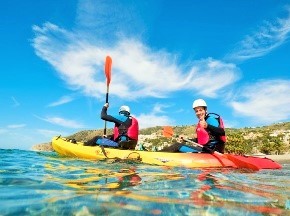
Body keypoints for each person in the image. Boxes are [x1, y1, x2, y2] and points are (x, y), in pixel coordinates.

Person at [160, 99, 226, 153]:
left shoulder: (210, 119)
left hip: (211, 151)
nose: (199, 113)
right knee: (179, 148)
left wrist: (207, 126)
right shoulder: (200, 123)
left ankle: (156, 156)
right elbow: (200, 140)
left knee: (177, 146)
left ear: (205, 110)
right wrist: (186, 139)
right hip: (204, 150)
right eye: (196, 111)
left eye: (200, 110)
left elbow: (222, 132)